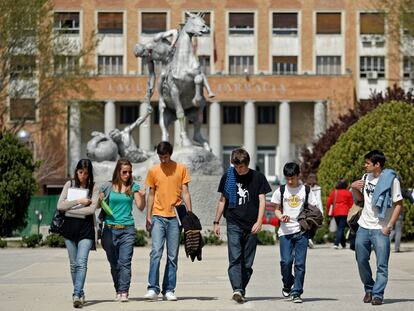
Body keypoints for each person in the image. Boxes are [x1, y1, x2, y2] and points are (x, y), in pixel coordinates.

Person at [213, 148, 272, 304]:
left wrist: (260, 221)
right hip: (233, 222)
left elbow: (262, 201)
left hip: (252, 224)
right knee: (235, 259)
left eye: (241, 167)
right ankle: (237, 289)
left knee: (247, 263)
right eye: (236, 167)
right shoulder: (228, 177)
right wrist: (216, 221)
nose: (239, 170)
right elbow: (222, 200)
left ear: (247, 164)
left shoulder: (258, 178)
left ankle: (241, 288)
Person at [351, 150, 403, 306]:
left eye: (368, 163)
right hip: (363, 226)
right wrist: (354, 188)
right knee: (361, 260)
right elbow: (360, 201)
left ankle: (377, 294)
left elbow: (398, 205)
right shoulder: (365, 178)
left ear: (377, 164)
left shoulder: (391, 181)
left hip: (380, 228)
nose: (365, 165)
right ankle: (369, 288)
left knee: (382, 264)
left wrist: (389, 226)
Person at [144, 141, 193, 301]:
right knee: (155, 253)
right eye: (160, 157)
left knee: (172, 255)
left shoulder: (181, 169)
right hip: (158, 216)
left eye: (165, 156)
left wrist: (190, 214)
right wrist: (148, 216)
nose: (163, 160)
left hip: (175, 217)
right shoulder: (153, 171)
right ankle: (152, 288)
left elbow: (185, 192)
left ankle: (169, 289)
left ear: (170, 154)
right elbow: (151, 194)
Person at [271, 162, 319, 303]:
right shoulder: (280, 191)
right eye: (288, 178)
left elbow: (313, 209)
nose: (290, 181)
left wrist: (309, 221)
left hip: (301, 232)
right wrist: (281, 217)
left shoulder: (306, 190)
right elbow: (276, 209)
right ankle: (287, 283)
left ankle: (297, 292)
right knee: (286, 262)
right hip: (285, 232)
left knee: (300, 264)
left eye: (293, 178)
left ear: (299, 175)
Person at [100, 159, 146, 302]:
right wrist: (98, 199)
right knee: (114, 264)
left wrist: (143, 196)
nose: (127, 174)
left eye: (129, 172)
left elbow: (140, 206)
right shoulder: (107, 186)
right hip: (109, 229)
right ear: (118, 172)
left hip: (127, 229)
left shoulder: (133, 187)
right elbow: (97, 206)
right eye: (124, 172)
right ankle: (118, 290)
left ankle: (124, 291)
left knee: (125, 262)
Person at [57, 159, 99, 308]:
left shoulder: (94, 187)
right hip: (69, 230)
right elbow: (60, 205)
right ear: (76, 171)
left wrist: (69, 210)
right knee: (74, 264)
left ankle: (76, 293)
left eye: (86, 173)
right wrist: (78, 201)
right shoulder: (69, 185)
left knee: (81, 263)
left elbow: (91, 210)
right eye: (81, 172)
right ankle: (80, 293)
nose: (83, 176)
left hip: (86, 230)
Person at [326, 178, 354, 249]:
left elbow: (329, 203)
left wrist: (328, 211)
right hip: (344, 212)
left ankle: (343, 244)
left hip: (336, 212)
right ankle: (336, 243)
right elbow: (351, 204)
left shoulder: (334, 192)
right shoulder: (348, 193)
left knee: (340, 228)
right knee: (341, 228)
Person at [305, 173, 322, 248]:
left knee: (314, 226)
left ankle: (309, 239)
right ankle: (308, 239)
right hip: (308, 209)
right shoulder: (304, 187)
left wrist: (321, 211)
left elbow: (319, 200)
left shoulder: (318, 188)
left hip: (314, 209)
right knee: (310, 225)